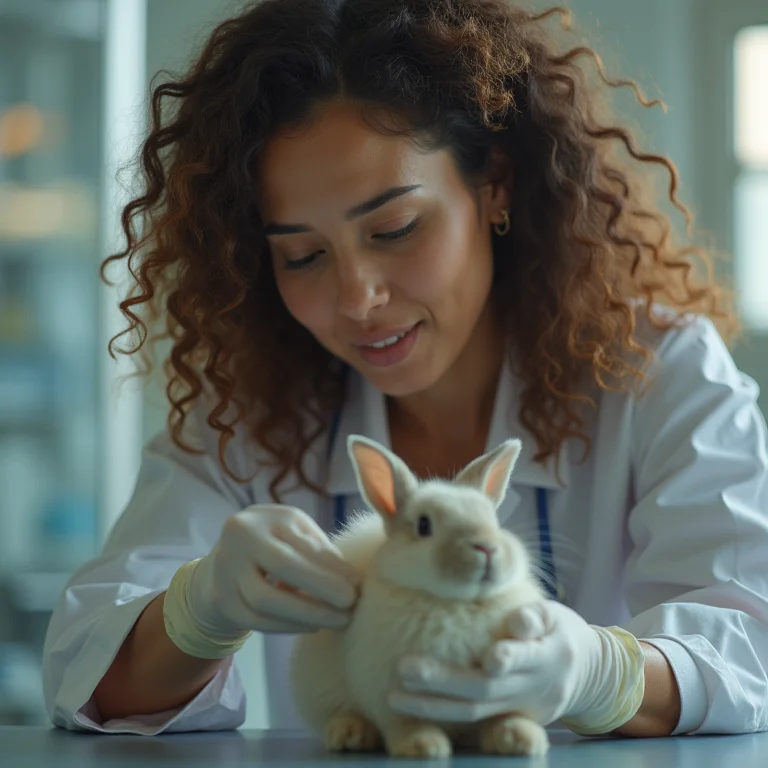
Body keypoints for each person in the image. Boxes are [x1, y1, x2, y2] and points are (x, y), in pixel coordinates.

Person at [42, 0, 768, 741]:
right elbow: (84, 674)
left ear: (494, 187)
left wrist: (600, 675)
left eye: (395, 229)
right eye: (303, 255)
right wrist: (200, 611)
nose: (358, 300)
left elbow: (751, 653)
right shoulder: (251, 411)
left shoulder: (658, 370)